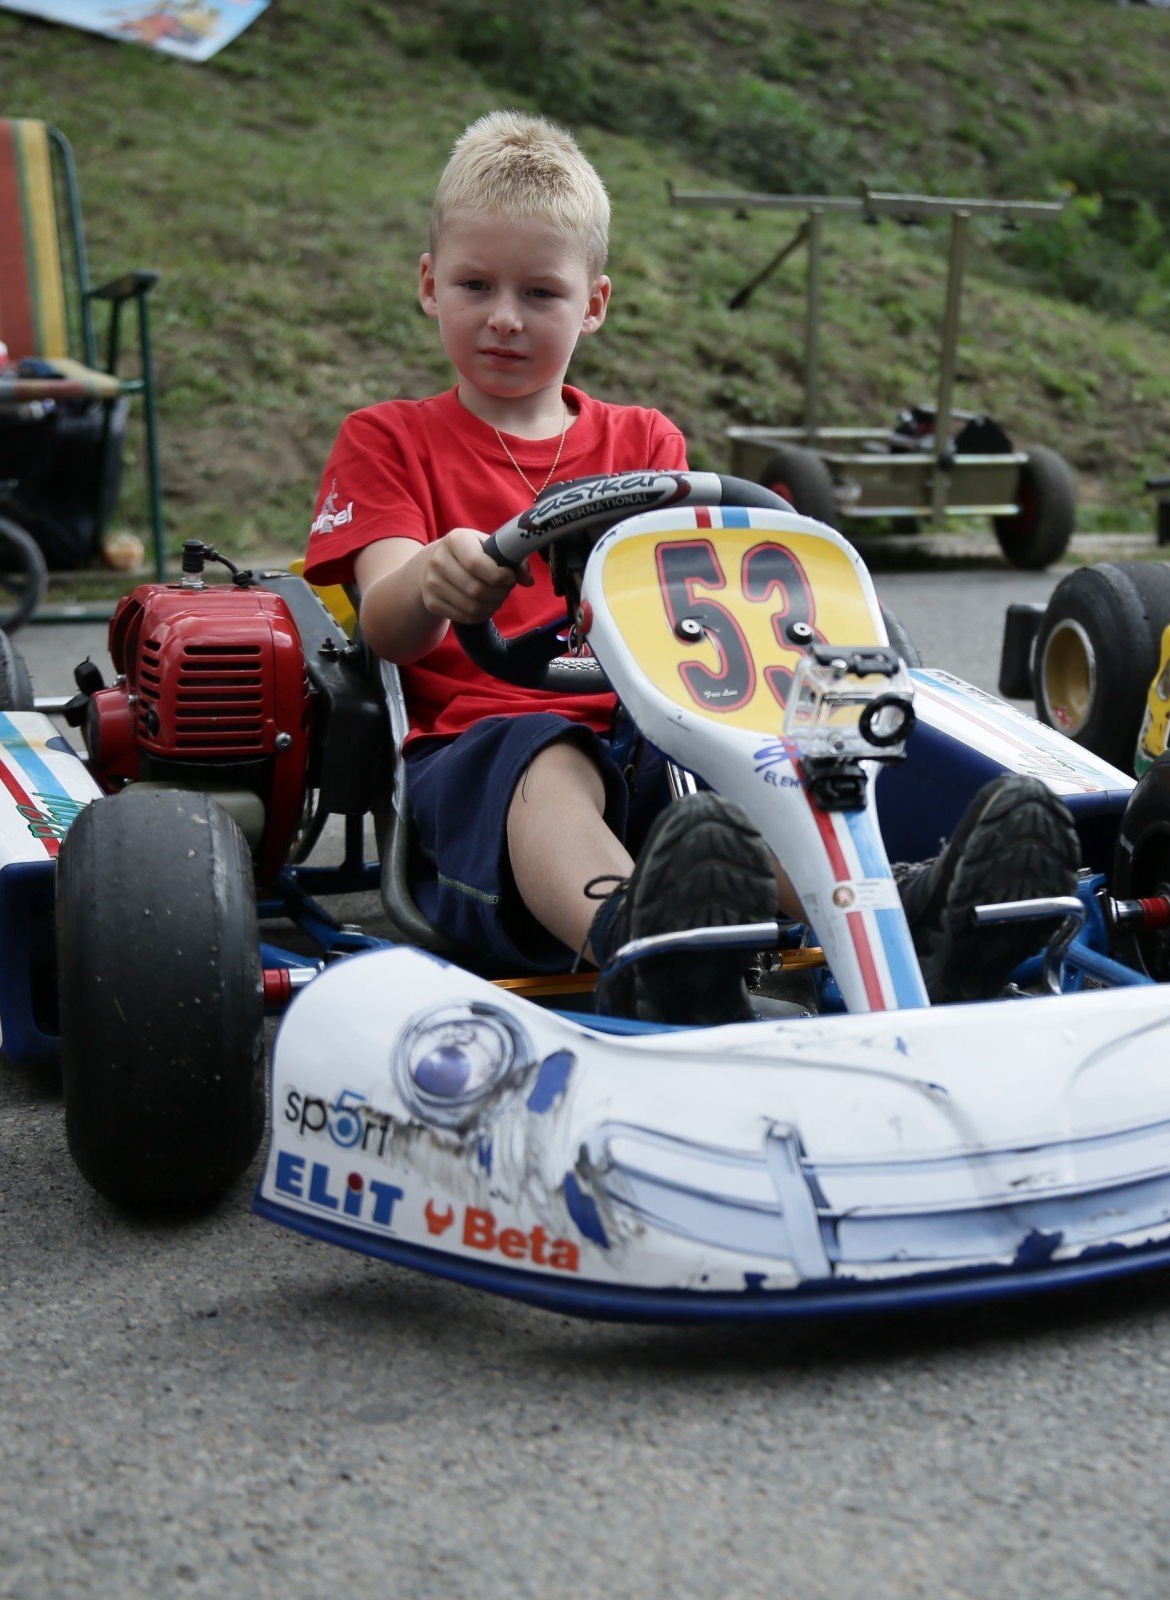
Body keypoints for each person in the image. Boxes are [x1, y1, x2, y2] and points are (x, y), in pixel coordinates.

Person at [304, 111, 1074, 1023]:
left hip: (662, 738)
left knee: (764, 757)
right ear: (431, 286)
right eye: (476, 285)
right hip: (482, 766)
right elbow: (385, 620)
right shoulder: (389, 440)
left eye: (540, 294)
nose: (505, 317)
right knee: (548, 754)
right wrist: (434, 580)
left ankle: (910, 915)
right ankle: (643, 936)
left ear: (592, 304)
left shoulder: (645, 444)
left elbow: (706, 607)